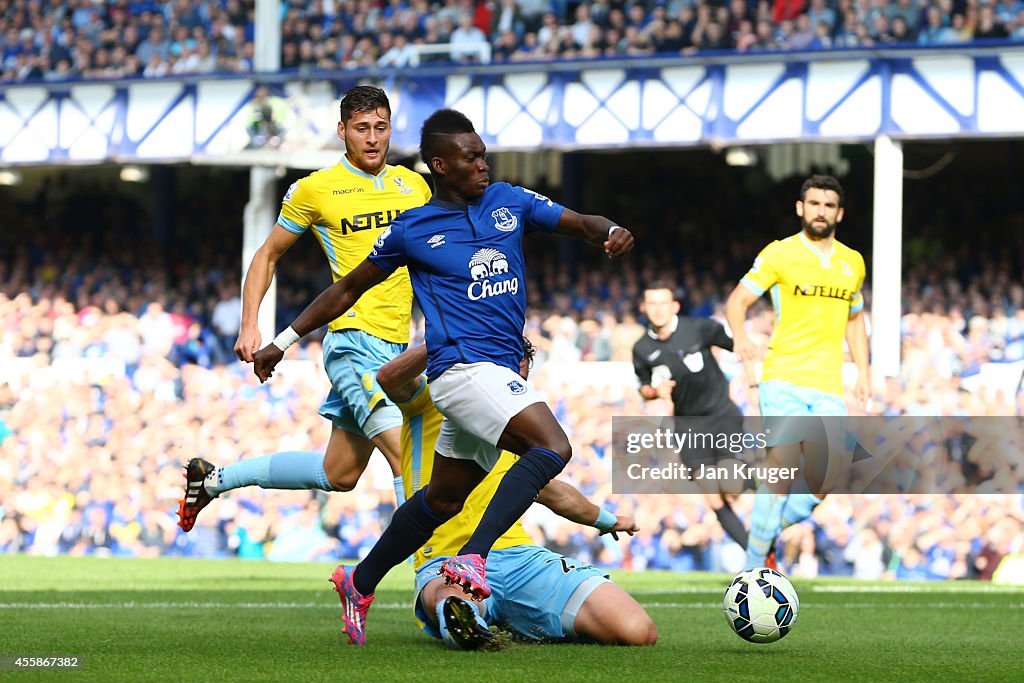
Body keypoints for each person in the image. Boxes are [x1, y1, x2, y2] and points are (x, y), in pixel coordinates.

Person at [252, 108, 634, 644]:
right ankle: (473, 559)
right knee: (552, 447)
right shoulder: (413, 228)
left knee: (443, 499)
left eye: (483, 153)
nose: (483, 164)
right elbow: (345, 291)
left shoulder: (509, 201)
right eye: (470, 157)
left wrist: (610, 231)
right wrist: (283, 341)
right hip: (459, 369)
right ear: (440, 165)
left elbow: (581, 223)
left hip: (493, 373)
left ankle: (359, 581)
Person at [177, 86, 432, 532]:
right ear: (342, 131)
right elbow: (267, 255)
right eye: (361, 129)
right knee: (407, 457)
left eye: (380, 128)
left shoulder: (414, 186)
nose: (372, 138)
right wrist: (250, 325)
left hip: (399, 346)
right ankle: (428, 580)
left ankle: (214, 480)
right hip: (353, 342)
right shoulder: (316, 189)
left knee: (340, 474)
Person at [376, 340, 657, 648]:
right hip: (447, 558)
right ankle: (467, 615)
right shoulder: (435, 398)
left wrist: (608, 520)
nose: (512, 381)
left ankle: (516, 616)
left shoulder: (522, 432)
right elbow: (390, 378)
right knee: (452, 602)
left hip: (520, 558)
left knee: (637, 631)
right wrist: (450, 336)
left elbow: (554, 493)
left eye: (519, 375)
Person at [724, 174, 870, 570]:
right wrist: (740, 336)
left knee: (827, 480)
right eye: (814, 203)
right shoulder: (779, 254)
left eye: (828, 205)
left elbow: (854, 319)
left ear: (839, 212)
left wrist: (864, 370)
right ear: (800, 208)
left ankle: (765, 534)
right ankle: (753, 569)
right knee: (781, 469)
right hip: (783, 376)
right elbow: (738, 301)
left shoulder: (852, 262)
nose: (821, 211)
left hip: (828, 384)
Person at [632, 280, 748, 548]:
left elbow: (739, 346)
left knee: (730, 487)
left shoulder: (700, 328)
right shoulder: (641, 349)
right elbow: (644, 388)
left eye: (663, 303)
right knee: (712, 497)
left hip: (721, 414)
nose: (658, 309)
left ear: (675, 306)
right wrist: (654, 392)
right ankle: (755, 555)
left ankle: (749, 476)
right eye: (652, 303)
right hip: (687, 425)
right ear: (643, 307)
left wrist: (752, 381)